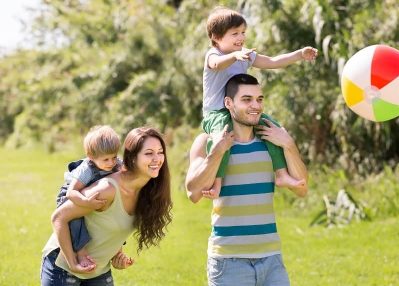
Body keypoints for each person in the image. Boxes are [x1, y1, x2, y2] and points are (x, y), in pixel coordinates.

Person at [186, 74, 308, 286]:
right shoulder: (206, 141)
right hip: (228, 262)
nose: (255, 106)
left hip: (271, 259)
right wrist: (217, 151)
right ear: (228, 103)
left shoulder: (272, 140)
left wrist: (288, 143)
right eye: (247, 99)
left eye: (259, 99)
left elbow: (301, 188)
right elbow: (193, 193)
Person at [202, 6, 317, 198]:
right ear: (216, 37)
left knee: (271, 127)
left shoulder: (244, 54)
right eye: (234, 34)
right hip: (217, 113)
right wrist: (234, 57)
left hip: (241, 110)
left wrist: (299, 54)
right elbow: (216, 64)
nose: (241, 37)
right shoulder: (214, 55)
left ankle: (281, 174)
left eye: (243, 32)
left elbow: (272, 62)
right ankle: (217, 182)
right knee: (222, 136)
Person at [41, 127, 172, 285]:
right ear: (132, 158)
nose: (157, 158)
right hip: (63, 267)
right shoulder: (106, 189)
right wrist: (72, 263)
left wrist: (117, 254)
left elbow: (109, 224)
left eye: (160, 152)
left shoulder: (147, 193)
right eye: (149, 153)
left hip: (98, 270)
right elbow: (58, 217)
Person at [55, 125, 122, 269]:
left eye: (114, 157)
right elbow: (71, 192)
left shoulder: (116, 164)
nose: (111, 163)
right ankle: (80, 251)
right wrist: (86, 202)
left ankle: (117, 251)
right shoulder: (87, 168)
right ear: (91, 157)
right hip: (74, 195)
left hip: (90, 195)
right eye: (106, 160)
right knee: (76, 220)